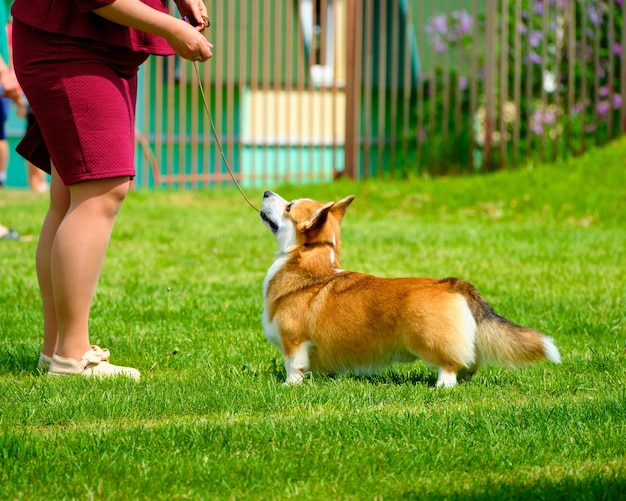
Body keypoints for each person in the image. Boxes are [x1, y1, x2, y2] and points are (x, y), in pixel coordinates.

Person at [11, 0, 213, 379]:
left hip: (92, 43)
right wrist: (172, 27)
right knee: (101, 190)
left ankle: (57, 350)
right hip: (68, 45)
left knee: (69, 196)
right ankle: (73, 356)